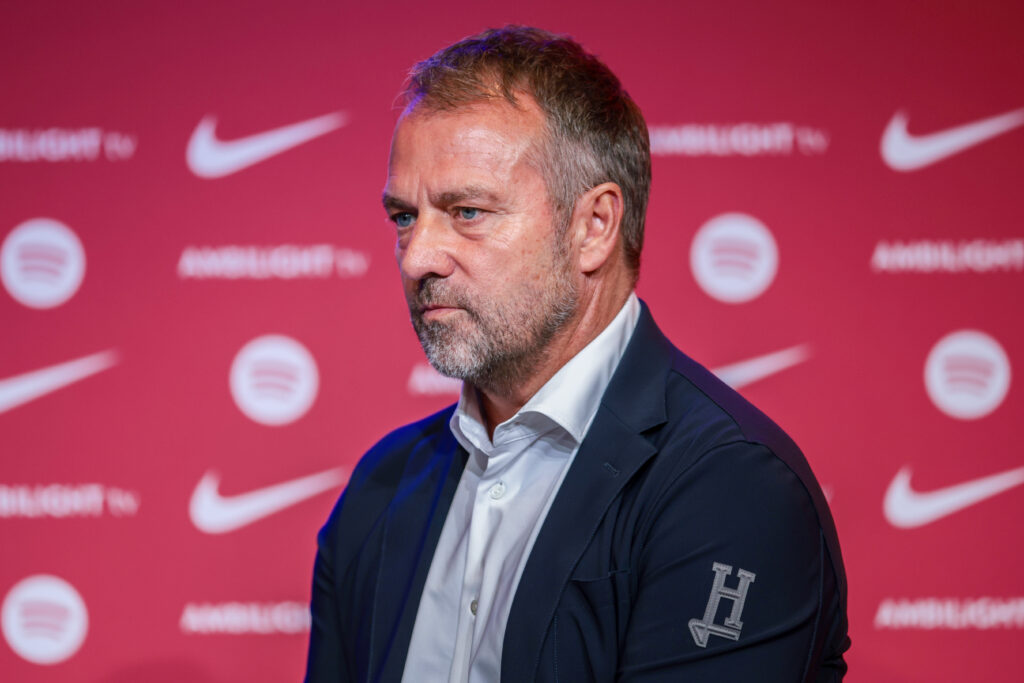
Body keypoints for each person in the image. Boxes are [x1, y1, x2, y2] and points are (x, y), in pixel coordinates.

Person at [305, 25, 849, 683]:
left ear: (594, 228)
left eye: (468, 211)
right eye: (403, 217)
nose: (418, 256)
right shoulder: (381, 487)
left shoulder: (730, 485)